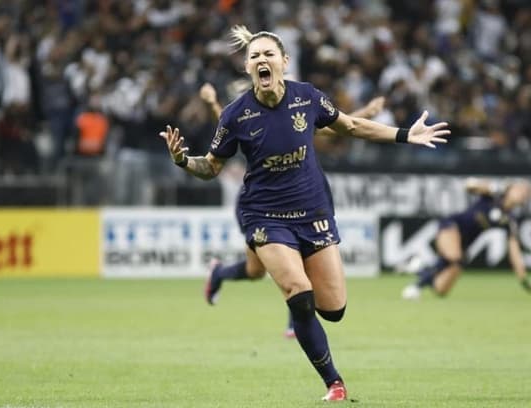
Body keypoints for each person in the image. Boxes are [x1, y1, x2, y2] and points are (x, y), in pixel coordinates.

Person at [159, 25, 449, 402]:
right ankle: (335, 383)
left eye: (268, 54)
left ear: (284, 62)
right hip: (264, 215)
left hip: (313, 210)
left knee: (334, 309)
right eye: (254, 56)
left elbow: (350, 126)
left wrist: (404, 134)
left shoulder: (307, 98)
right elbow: (211, 166)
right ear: (247, 67)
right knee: (299, 292)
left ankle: (234, 279)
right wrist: (183, 160)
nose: (261, 60)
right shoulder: (235, 115)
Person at [199, 82, 386, 339]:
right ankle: (223, 275)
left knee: (266, 269)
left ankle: (226, 277)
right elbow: (224, 126)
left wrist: (366, 112)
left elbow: (339, 126)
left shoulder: (299, 112)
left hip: (297, 203)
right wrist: (211, 103)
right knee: (260, 270)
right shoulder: (242, 115)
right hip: (260, 203)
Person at [401, 178, 531, 300]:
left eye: (526, 193)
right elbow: (469, 186)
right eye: (520, 189)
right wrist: (493, 187)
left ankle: (419, 268)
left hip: (465, 243)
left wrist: (523, 278)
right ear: (510, 188)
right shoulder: (493, 196)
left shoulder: (510, 221)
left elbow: (515, 252)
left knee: (440, 290)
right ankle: (415, 288)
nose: (523, 193)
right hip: (452, 226)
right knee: (454, 256)